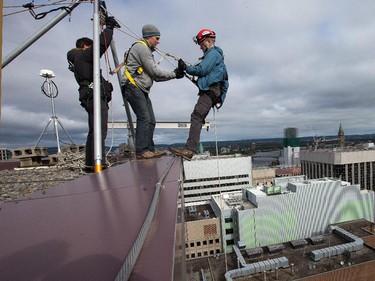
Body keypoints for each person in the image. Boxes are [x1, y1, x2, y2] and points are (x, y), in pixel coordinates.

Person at [121, 24, 184, 159]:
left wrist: (175, 75)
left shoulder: (146, 50)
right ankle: (142, 151)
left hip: (139, 88)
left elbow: (155, 77)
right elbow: (155, 71)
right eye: (157, 38)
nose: (158, 41)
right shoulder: (141, 48)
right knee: (144, 117)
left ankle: (149, 149)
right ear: (149, 37)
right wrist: (174, 74)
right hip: (132, 86)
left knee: (151, 120)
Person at [67, 16, 119, 172]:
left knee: (94, 130)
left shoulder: (78, 61)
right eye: (89, 47)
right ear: (84, 47)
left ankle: (91, 163)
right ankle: (98, 162)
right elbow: (101, 45)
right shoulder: (82, 56)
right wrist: (109, 28)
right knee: (99, 130)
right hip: (94, 97)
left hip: (90, 96)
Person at [169, 28, 229, 160]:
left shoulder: (213, 54)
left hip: (210, 90)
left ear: (207, 42)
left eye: (201, 45)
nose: (201, 48)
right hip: (212, 90)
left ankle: (190, 149)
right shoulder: (214, 55)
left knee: (196, 116)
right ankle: (190, 148)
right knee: (198, 116)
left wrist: (186, 68)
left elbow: (202, 70)